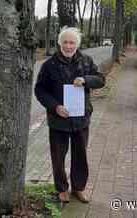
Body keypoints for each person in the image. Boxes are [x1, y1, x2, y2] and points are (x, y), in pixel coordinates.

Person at [34, 27, 105, 203]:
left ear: (77, 44)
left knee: (80, 155)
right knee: (58, 156)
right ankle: (62, 189)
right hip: (59, 120)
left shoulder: (86, 61)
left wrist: (86, 80)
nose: (68, 45)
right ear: (60, 43)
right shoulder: (49, 65)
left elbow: (100, 80)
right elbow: (40, 90)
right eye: (65, 42)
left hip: (81, 119)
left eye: (72, 42)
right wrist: (55, 106)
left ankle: (78, 188)